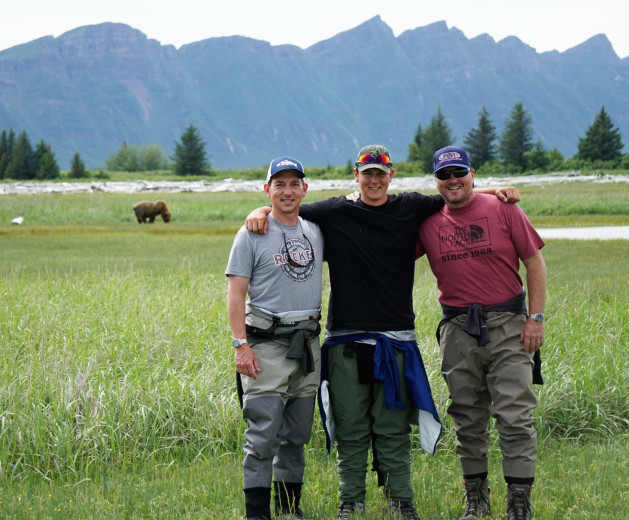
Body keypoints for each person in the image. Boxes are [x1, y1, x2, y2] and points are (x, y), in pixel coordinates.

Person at [245, 145, 520, 520]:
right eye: (367, 173)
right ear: (355, 176)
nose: (374, 180)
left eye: (381, 174)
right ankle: (350, 502)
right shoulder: (332, 211)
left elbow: (455, 192)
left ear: (391, 177)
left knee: (393, 428)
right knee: (350, 427)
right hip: (345, 338)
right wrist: (258, 210)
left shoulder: (409, 206)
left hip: (396, 339)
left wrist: (496, 192)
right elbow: (285, 208)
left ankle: (402, 501)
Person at [416, 146, 546, 520]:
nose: (452, 180)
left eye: (459, 172)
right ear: (436, 181)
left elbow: (534, 259)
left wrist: (535, 318)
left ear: (472, 173)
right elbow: (383, 231)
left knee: (515, 416)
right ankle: (476, 501)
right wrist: (263, 211)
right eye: (444, 175)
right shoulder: (427, 222)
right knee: (467, 417)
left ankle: (518, 503)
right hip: (457, 329)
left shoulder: (504, 209)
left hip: (509, 325)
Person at [226, 156, 325, 520]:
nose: (287, 190)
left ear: (304, 188)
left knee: (296, 436)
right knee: (263, 434)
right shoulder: (250, 233)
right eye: (278, 184)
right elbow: (236, 293)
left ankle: (288, 510)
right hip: (266, 346)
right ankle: (257, 515)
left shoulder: (315, 229)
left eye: (293, 183)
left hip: (308, 347)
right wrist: (241, 346)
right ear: (267, 189)